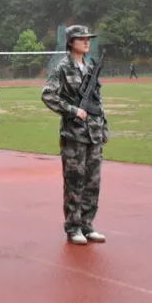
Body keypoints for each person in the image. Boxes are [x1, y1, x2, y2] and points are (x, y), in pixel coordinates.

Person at [40, 25, 109, 245]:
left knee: (93, 182)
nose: (87, 42)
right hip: (74, 135)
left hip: (93, 133)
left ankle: (87, 225)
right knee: (74, 182)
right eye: (82, 38)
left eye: (88, 38)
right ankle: (73, 227)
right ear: (70, 42)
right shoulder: (62, 68)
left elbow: (97, 100)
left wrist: (104, 127)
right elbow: (48, 95)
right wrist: (72, 110)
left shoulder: (90, 66)